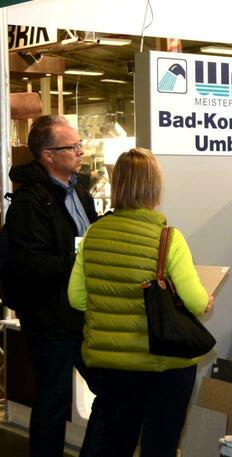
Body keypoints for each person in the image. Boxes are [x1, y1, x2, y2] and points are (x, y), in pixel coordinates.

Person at [68, 147, 213, 457]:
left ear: (117, 184)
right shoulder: (168, 238)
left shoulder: (93, 234)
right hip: (165, 366)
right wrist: (207, 299)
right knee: (159, 448)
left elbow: (76, 298)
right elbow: (195, 302)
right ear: (154, 187)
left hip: (111, 368)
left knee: (113, 446)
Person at [5, 115, 98, 457]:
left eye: (80, 145)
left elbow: (89, 235)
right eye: (73, 147)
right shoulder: (28, 204)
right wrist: (81, 262)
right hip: (50, 319)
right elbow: (33, 265)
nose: (81, 152)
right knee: (53, 402)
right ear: (48, 156)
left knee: (112, 390)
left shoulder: (81, 192)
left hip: (83, 314)